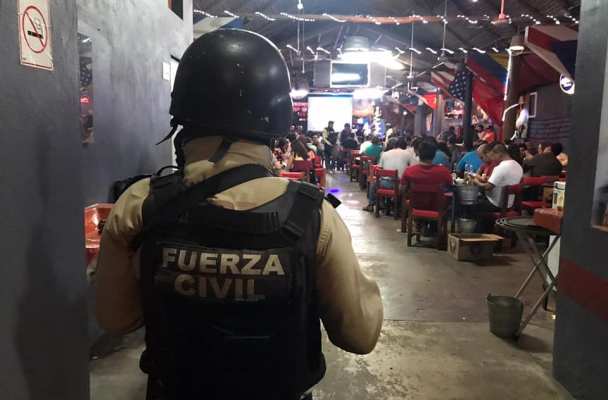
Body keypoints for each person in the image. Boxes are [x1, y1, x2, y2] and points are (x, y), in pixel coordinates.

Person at [95, 29, 383, 400]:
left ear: (183, 116)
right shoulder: (313, 216)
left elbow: (115, 319)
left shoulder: (139, 204)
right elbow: (360, 336)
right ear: (276, 120)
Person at [473, 143, 523, 211]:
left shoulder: (500, 167)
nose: (492, 158)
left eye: (493, 155)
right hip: (510, 204)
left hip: (495, 204)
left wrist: (476, 182)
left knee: (468, 204)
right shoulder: (518, 166)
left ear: (499, 154)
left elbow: (487, 187)